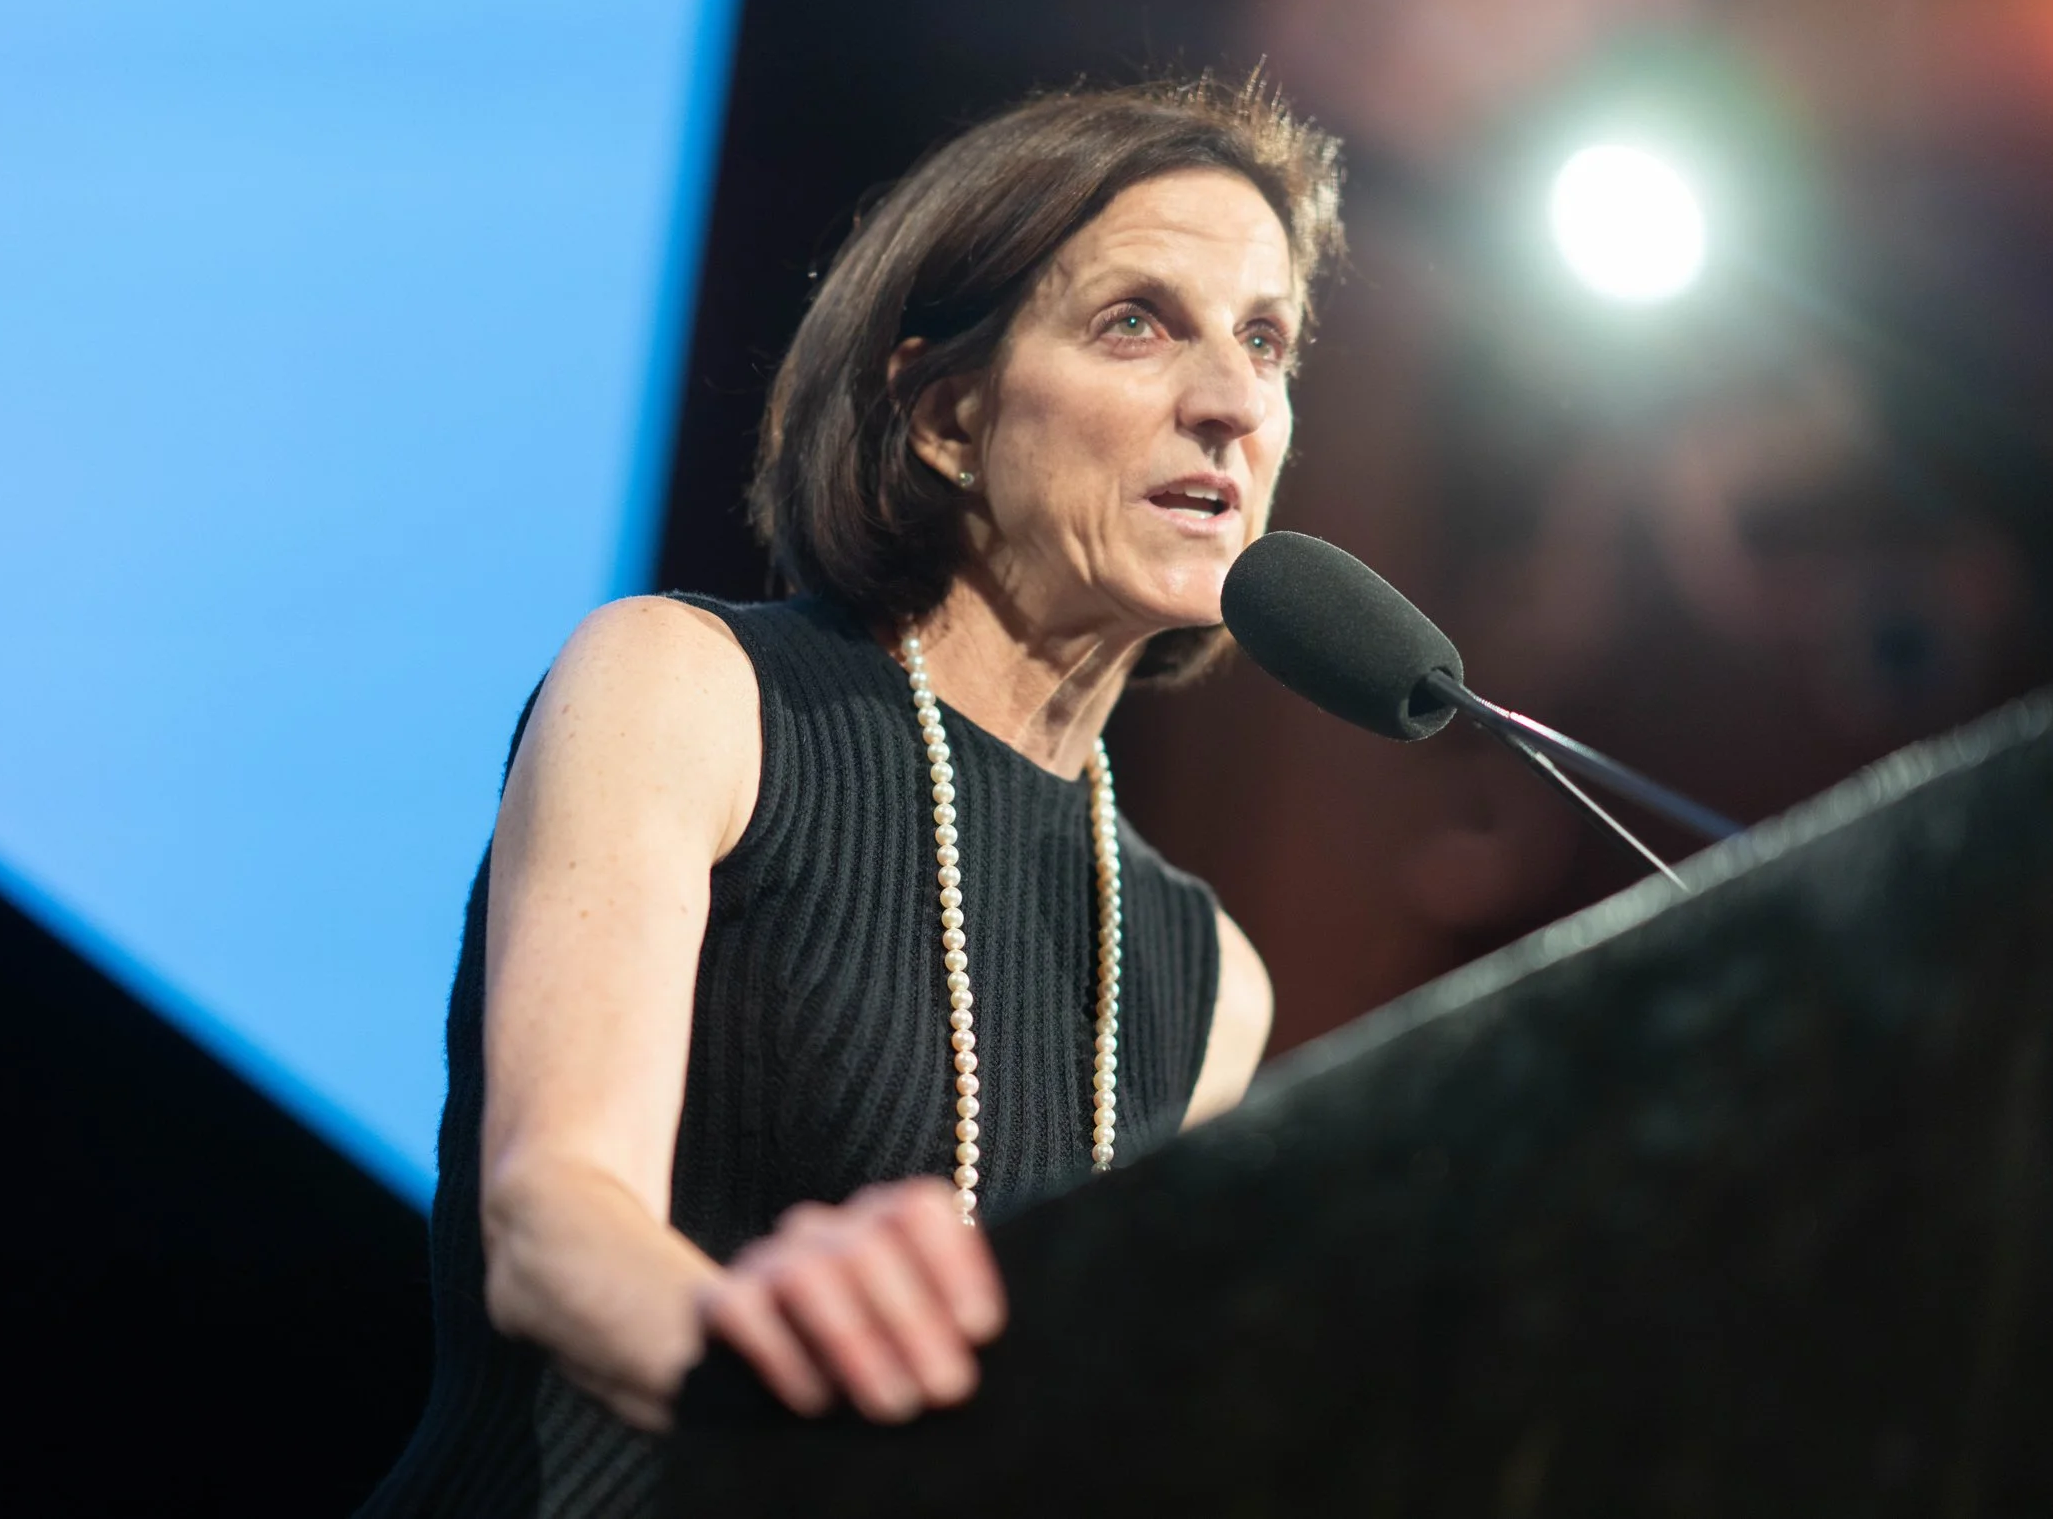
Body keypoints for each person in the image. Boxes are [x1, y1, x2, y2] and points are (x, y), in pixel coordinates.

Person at [360, 74, 1345, 1517]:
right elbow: (551, 1219)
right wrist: (788, 1390)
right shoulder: (683, 691)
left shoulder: (1211, 983)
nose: (1231, 403)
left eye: (1267, 341)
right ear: (944, 415)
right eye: (1139, 322)